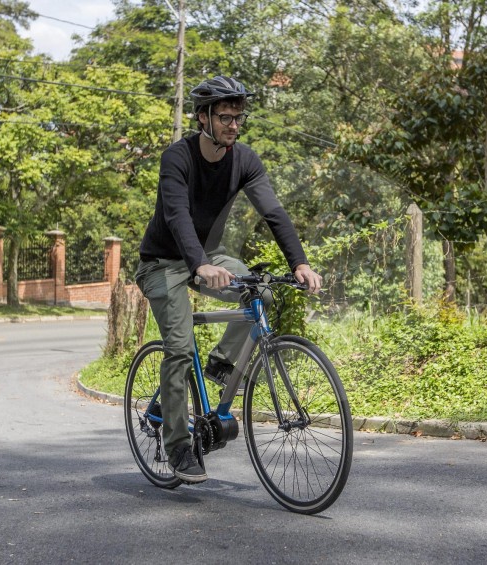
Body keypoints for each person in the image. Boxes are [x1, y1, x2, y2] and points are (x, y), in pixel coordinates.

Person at [135, 75, 322, 484]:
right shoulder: (177, 158)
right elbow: (176, 216)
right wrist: (199, 264)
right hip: (163, 262)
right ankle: (179, 445)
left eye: (238, 118)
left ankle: (220, 365)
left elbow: (273, 212)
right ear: (203, 117)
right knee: (180, 349)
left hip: (210, 257)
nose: (233, 126)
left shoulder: (245, 160)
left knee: (261, 296)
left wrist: (300, 263)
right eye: (225, 117)